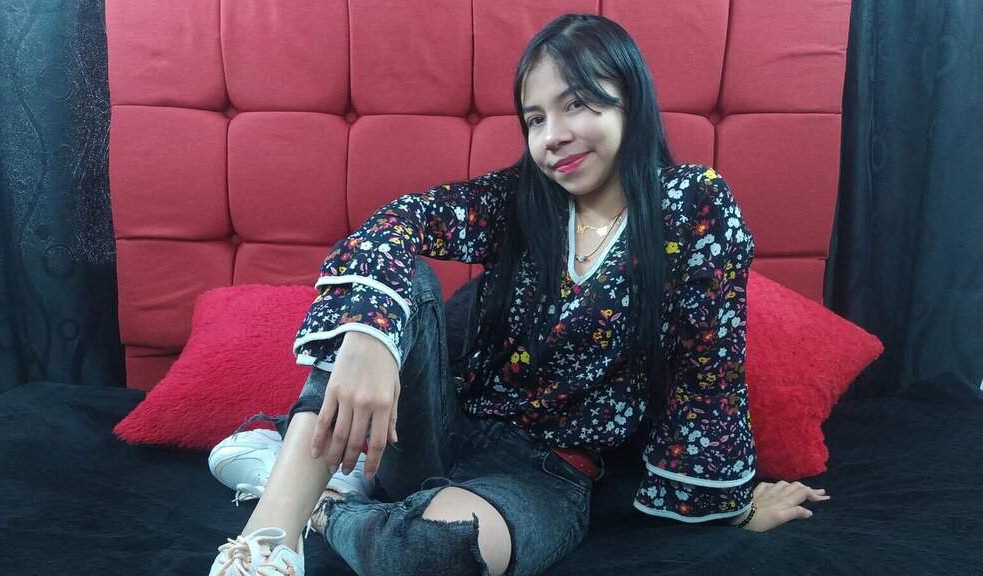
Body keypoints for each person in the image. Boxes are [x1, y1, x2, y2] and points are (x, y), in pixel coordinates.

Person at [208, 13, 830, 576]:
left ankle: (321, 499)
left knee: (440, 550)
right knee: (390, 286)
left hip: (547, 474)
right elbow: (397, 222)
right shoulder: (519, 198)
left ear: (631, 100)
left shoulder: (693, 203)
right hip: (433, 429)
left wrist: (733, 506)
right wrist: (369, 338)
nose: (552, 136)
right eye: (535, 119)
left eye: (576, 104)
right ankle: (266, 542)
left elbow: (709, 366)